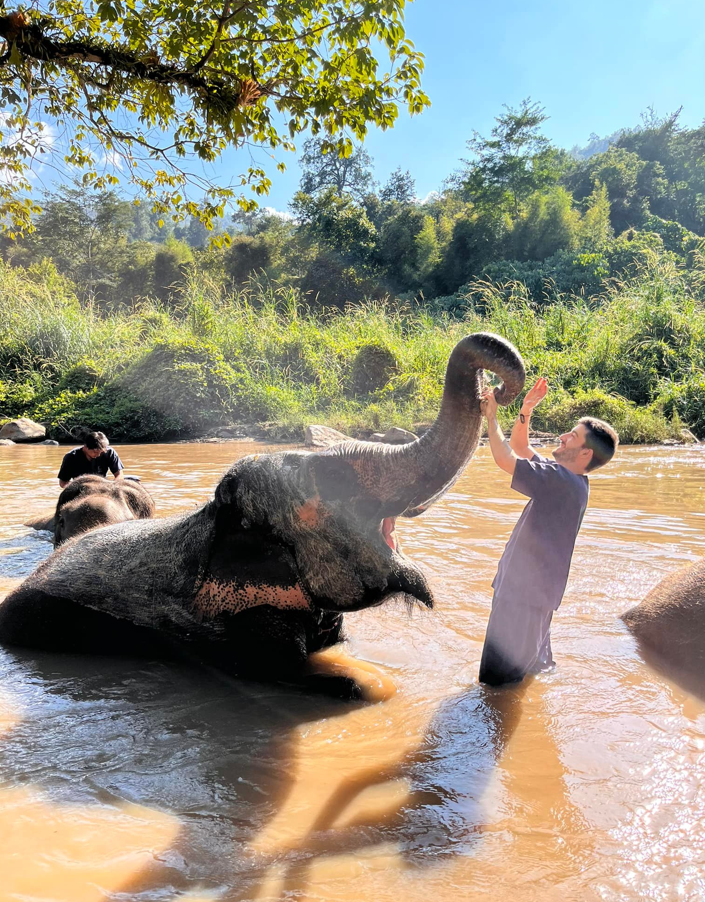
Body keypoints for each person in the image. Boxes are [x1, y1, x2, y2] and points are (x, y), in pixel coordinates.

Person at [478, 378, 619, 686]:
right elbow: (521, 447)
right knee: (528, 677)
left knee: (496, 688)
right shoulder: (573, 482)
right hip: (534, 597)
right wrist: (526, 410)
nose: (563, 437)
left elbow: (505, 458)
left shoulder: (559, 481)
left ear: (585, 455)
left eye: (573, 436)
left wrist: (490, 417)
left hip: (522, 598)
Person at [57, 431, 124, 488]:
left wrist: (111, 485)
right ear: (86, 447)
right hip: (81, 488)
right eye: (95, 452)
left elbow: (119, 475)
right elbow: (63, 483)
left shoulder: (109, 452)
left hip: (103, 486)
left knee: (133, 479)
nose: (98, 455)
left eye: (101, 452)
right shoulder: (71, 457)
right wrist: (79, 487)